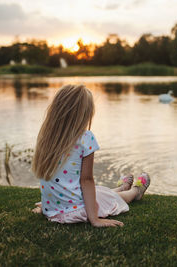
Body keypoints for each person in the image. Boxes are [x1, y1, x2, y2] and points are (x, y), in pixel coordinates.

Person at [31, 84, 150, 227]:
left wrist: (46, 208)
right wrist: (95, 219)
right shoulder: (85, 138)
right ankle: (134, 192)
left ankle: (122, 187)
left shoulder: (46, 136)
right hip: (74, 211)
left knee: (99, 192)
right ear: (84, 114)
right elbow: (86, 181)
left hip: (53, 208)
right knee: (110, 198)